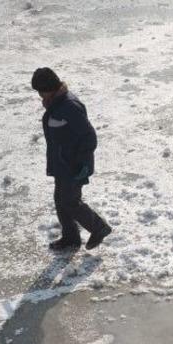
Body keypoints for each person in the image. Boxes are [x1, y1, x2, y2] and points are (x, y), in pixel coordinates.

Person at [31, 67, 113, 251]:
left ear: (50, 87)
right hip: (62, 164)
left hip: (74, 165)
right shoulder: (56, 103)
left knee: (70, 201)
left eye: (40, 91)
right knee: (60, 200)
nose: (39, 96)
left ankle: (99, 227)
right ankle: (71, 237)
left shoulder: (69, 106)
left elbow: (89, 136)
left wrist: (82, 163)